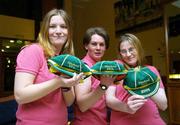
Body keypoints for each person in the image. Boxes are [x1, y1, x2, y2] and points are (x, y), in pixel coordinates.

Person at [14, 9, 83, 125]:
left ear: (69, 32)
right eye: (52, 26)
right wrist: (59, 82)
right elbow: (20, 95)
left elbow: (69, 102)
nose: (58, 31)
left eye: (63, 27)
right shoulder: (33, 51)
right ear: (45, 30)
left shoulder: (64, 59)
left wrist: (67, 85)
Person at [106, 33, 168, 125]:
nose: (128, 54)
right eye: (123, 51)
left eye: (131, 49)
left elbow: (163, 106)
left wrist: (145, 85)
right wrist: (127, 108)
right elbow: (109, 100)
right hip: (122, 121)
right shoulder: (117, 69)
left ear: (138, 49)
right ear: (120, 54)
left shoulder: (151, 70)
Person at [73, 27, 115, 125]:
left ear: (106, 48)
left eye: (102, 44)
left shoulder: (101, 68)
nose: (98, 48)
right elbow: (82, 105)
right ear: (86, 46)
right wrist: (103, 86)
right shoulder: (84, 67)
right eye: (94, 44)